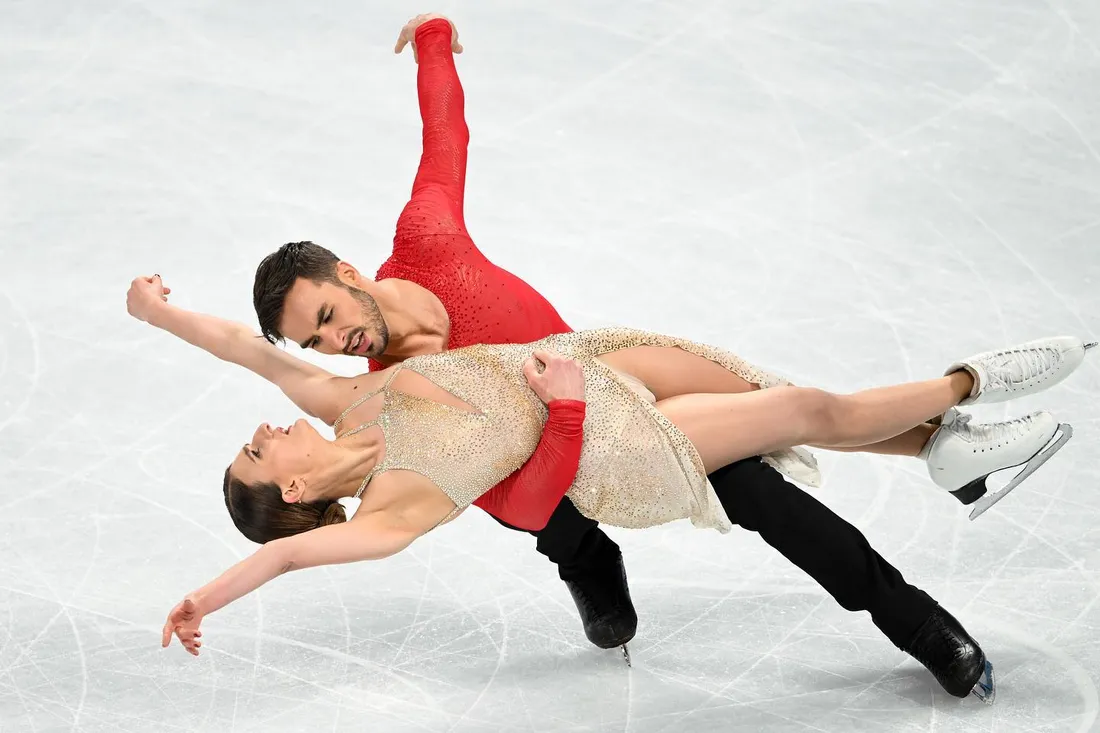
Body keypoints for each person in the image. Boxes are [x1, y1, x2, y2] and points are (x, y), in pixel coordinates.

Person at [246, 14, 1074, 674]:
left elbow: (445, 139)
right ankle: (588, 564)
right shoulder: (403, 396)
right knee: (573, 525)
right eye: (313, 342)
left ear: (348, 273)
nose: (335, 341)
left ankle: (931, 563)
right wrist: (565, 423)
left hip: (613, 378)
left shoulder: (427, 240)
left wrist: (432, 41)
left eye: (323, 315)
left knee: (770, 448)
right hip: (571, 462)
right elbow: (526, 496)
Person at [127, 273, 1092, 702]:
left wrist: (154, 311)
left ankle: (954, 452)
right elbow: (291, 550)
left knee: (777, 392)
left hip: (585, 357)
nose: (260, 428)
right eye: (255, 452)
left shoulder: (341, 397)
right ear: (292, 484)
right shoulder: (389, 511)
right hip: (606, 447)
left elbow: (240, 346)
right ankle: (974, 383)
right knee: (800, 412)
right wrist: (203, 596)